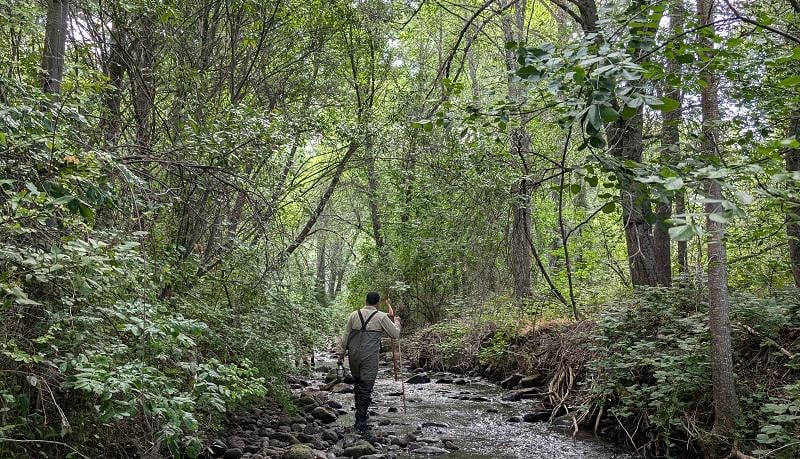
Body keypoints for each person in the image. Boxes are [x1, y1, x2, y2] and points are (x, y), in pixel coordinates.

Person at [337, 291, 401, 433]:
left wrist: (340, 355)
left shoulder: (354, 315)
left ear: (365, 301)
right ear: (377, 303)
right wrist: (397, 322)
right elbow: (395, 334)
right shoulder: (381, 317)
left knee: (358, 384)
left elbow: (345, 336)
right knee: (366, 386)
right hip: (369, 358)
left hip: (353, 356)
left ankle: (360, 416)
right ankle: (360, 421)